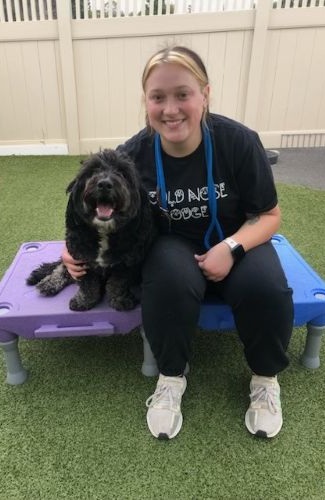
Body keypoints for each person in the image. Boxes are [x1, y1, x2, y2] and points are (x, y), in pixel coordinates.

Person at [62, 46, 294, 440]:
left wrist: (232, 248)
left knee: (266, 287)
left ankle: (264, 379)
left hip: (237, 239)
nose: (171, 109)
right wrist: (73, 249)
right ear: (146, 102)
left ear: (205, 94)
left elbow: (269, 216)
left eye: (183, 94)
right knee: (167, 278)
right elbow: (98, 209)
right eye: (158, 97)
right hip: (171, 243)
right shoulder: (131, 156)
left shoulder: (238, 142)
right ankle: (171, 379)